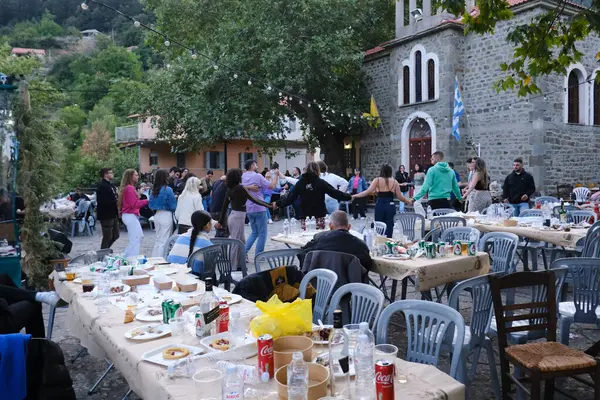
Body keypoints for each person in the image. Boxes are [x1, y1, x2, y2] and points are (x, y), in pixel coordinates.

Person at [216, 169, 274, 267]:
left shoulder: (230, 189)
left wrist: (221, 221)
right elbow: (255, 199)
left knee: (241, 241)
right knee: (237, 242)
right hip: (238, 217)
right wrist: (269, 205)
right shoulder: (240, 188)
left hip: (233, 216)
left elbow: (224, 207)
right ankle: (233, 266)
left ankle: (240, 263)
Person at [277, 162, 352, 230]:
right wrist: (349, 197)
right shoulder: (320, 182)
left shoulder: (300, 183)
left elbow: (290, 198)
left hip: (305, 216)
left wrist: (277, 203)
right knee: (320, 237)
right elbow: (334, 193)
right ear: (317, 170)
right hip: (319, 215)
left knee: (306, 237)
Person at [351, 164, 411, 237]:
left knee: (379, 227)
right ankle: (388, 242)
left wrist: (354, 195)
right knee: (389, 228)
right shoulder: (394, 182)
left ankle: (380, 243)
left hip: (380, 205)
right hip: (390, 205)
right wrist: (408, 201)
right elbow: (400, 197)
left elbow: (367, 192)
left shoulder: (377, 180)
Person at [302, 211, 372, 271]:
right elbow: (367, 266)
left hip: (322, 282)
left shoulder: (319, 238)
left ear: (330, 226)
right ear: (349, 227)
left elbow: (304, 252)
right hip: (350, 283)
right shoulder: (360, 245)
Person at [242, 160, 279, 257]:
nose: (257, 166)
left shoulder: (243, 176)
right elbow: (271, 186)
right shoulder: (258, 176)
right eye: (256, 164)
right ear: (252, 165)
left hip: (249, 207)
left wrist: (248, 187)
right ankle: (259, 256)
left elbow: (239, 187)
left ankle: (243, 252)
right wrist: (276, 175)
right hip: (259, 206)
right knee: (262, 233)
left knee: (254, 232)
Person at [167, 210, 213, 275]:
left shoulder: (181, 237)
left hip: (172, 272)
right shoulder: (208, 245)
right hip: (194, 277)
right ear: (208, 225)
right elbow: (209, 267)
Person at [119, 169, 148, 258]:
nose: (137, 176)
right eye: (135, 175)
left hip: (129, 215)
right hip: (130, 215)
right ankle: (131, 257)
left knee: (137, 237)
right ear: (130, 176)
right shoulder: (129, 188)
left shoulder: (128, 188)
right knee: (136, 238)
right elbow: (135, 204)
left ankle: (128, 255)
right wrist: (147, 200)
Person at [149, 169, 178, 257]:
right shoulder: (168, 189)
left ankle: (154, 258)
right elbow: (173, 206)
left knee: (158, 239)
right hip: (166, 214)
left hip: (157, 215)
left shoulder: (153, 190)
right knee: (165, 239)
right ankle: (161, 259)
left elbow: (150, 204)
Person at [96, 168, 120, 249]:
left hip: (113, 213)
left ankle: (105, 250)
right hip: (106, 214)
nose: (112, 174)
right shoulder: (102, 186)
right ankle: (102, 253)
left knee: (116, 235)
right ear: (105, 174)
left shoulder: (110, 185)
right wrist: (115, 200)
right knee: (107, 236)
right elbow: (103, 201)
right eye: (111, 172)